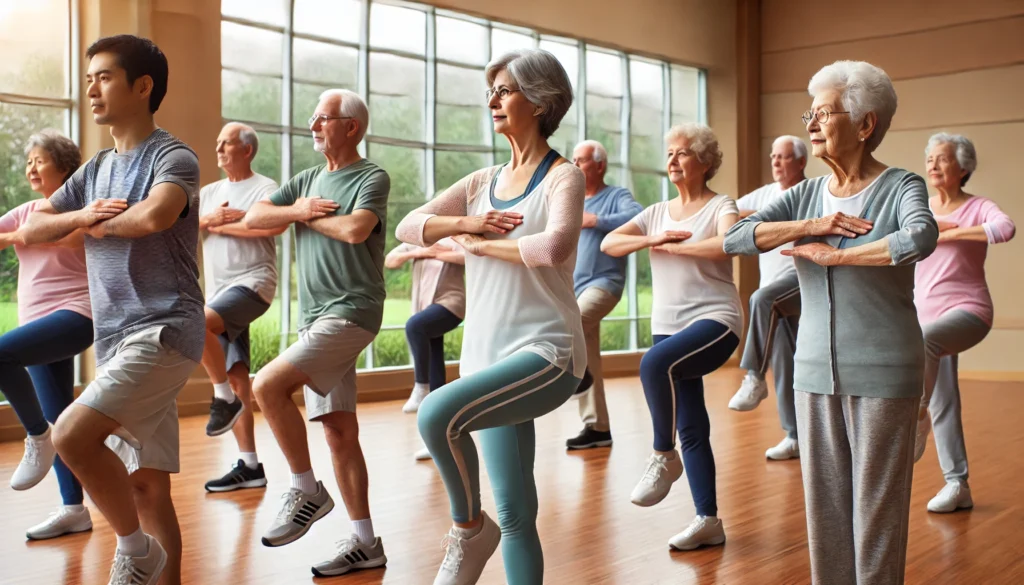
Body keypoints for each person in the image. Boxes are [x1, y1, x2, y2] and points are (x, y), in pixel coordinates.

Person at [724, 60, 938, 585]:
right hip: (812, 373)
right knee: (827, 519)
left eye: (822, 112)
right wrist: (811, 226)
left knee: (877, 518)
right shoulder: (806, 195)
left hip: (886, 372)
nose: (811, 123)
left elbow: (920, 237)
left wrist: (838, 256)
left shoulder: (900, 185)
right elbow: (734, 238)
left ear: (865, 125)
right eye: (809, 112)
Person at [395, 48, 585, 585]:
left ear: (541, 100)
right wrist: (468, 223)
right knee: (517, 515)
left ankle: (466, 531)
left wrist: (477, 242)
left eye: (505, 90)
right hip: (485, 356)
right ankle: (486, 531)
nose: (493, 100)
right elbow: (409, 226)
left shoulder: (561, 177)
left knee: (435, 415)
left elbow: (553, 248)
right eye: (492, 92)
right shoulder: (482, 182)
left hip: (547, 352)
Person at [21, 35, 205, 585]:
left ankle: (134, 550)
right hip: (118, 337)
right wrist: (82, 219)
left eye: (103, 76)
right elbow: (33, 228)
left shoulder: (173, 156)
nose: (91, 89)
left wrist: (87, 224)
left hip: (166, 330)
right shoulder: (96, 168)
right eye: (89, 79)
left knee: (71, 435)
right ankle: (158, 570)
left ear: (142, 87)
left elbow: (155, 217)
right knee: (149, 484)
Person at [243, 89, 391, 578]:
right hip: (316, 317)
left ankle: (305, 488)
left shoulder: (371, 176)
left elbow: (355, 230)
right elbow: (256, 217)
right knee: (338, 431)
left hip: (352, 311)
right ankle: (367, 544)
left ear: (351, 127)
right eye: (312, 119)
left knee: (266, 385)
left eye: (321, 119)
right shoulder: (307, 181)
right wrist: (297, 209)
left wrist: (309, 215)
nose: (313, 126)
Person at [601, 123, 740, 551]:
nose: (673, 160)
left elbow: (729, 242)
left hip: (716, 320)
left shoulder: (721, 205)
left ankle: (663, 456)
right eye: (670, 154)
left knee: (652, 364)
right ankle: (708, 520)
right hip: (668, 323)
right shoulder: (656, 213)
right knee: (693, 425)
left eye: (682, 153)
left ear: (705, 162)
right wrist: (653, 237)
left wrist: (676, 248)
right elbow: (609, 243)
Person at [0, 129, 94, 540]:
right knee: (59, 418)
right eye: (29, 162)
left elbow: (68, 235)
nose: (31, 168)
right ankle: (74, 509)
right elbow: (18, 234)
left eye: (40, 159)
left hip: (77, 313)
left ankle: (36, 436)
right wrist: (18, 233)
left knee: (1, 355)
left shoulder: (86, 209)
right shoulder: (25, 211)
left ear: (65, 165)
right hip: (37, 321)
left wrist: (21, 234)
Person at [914, 133, 1015, 513]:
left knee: (925, 342)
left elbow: (1006, 229)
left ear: (964, 168)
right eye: (930, 159)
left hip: (969, 311)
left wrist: (952, 231)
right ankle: (958, 485)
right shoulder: (921, 208)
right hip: (926, 315)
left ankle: (916, 416)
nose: (933, 165)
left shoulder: (979, 207)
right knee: (945, 399)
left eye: (942, 159)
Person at [199, 122, 286, 492]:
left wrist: (222, 227)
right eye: (217, 143)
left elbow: (269, 228)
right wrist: (210, 219)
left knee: (196, 323)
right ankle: (250, 466)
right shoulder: (209, 193)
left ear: (247, 150)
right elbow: (186, 228)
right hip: (218, 293)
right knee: (237, 378)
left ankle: (221, 399)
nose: (219, 149)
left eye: (227, 143)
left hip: (253, 285)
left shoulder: (265, 189)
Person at [727, 135, 808, 461]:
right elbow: (731, 213)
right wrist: (763, 212)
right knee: (786, 364)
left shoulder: (811, 190)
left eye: (783, 157)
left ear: (800, 162)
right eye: (773, 156)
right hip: (779, 293)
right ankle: (794, 436)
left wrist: (763, 219)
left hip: (805, 280)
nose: (775, 162)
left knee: (761, 299)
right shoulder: (765, 194)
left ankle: (754, 377)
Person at [565, 139, 643, 450]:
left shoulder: (616, 196)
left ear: (599, 165)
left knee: (575, 323)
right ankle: (597, 428)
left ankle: (572, 377)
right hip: (572, 286)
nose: (575, 166)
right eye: (572, 160)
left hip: (604, 283)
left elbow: (637, 217)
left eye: (580, 160)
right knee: (589, 351)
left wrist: (595, 220)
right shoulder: (571, 203)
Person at [384, 238, 465, 415]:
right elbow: (390, 260)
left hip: (452, 303)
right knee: (433, 350)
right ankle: (438, 405)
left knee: (415, 326)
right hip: (425, 306)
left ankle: (421, 387)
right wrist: (419, 252)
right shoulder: (418, 242)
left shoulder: (455, 238)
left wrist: (439, 253)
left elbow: (469, 257)